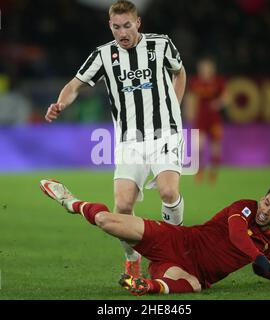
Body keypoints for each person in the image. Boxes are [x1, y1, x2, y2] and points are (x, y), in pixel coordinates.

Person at [44, 0, 187, 277]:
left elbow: (179, 72)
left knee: (169, 192)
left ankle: (173, 253)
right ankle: (132, 259)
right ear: (110, 26)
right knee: (122, 206)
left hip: (164, 133)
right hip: (128, 140)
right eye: (116, 27)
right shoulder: (102, 55)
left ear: (138, 23)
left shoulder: (161, 45)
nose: (122, 33)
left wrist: (175, 107)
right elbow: (74, 85)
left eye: (127, 26)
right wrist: (60, 104)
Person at [39, 179, 270, 295]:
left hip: (187, 269)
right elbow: (238, 237)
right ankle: (70, 202)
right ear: (262, 199)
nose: (265, 212)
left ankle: (145, 285)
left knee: (195, 286)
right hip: (175, 240)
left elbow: (263, 269)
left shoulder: (269, 242)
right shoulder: (244, 207)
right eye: (266, 203)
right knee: (104, 220)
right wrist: (263, 259)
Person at [184, 57, 228, 184]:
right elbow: (190, 97)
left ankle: (213, 173)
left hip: (214, 119)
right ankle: (200, 170)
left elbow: (226, 96)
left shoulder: (218, 82)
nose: (204, 70)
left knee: (215, 146)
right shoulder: (195, 82)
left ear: (211, 69)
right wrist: (189, 111)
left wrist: (218, 103)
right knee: (199, 147)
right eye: (202, 68)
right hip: (200, 118)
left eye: (207, 68)